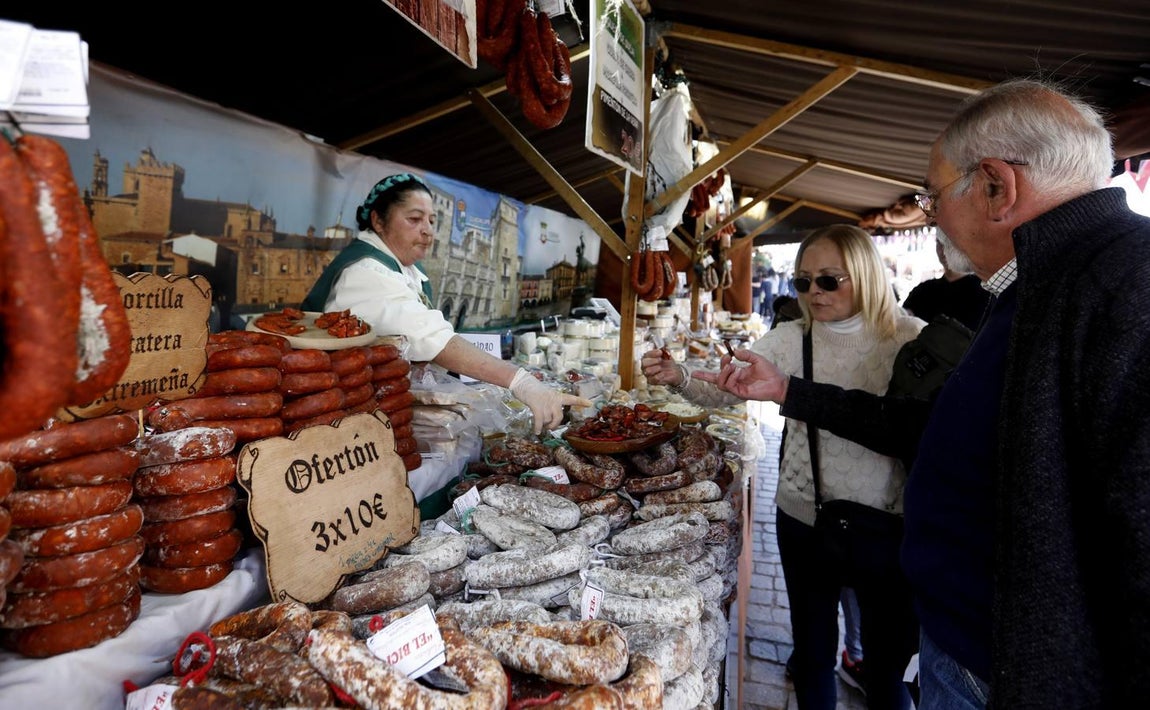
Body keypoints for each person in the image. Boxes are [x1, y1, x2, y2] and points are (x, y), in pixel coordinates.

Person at [699, 78, 1150, 708]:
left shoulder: (1122, 288)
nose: (931, 214)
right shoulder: (1040, 287)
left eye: (932, 197)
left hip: (1011, 673)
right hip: (973, 649)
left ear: (996, 185)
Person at [642, 224, 924, 710]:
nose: (813, 292)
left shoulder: (911, 340)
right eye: (803, 282)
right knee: (813, 653)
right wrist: (681, 377)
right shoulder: (792, 338)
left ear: (866, 276)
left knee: (888, 670)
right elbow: (728, 385)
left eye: (829, 280)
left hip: (887, 525)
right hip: (804, 518)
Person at [303, 173, 589, 434]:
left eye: (432, 221)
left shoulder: (403, 268)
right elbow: (431, 337)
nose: (428, 230)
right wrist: (521, 382)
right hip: (339, 424)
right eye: (414, 219)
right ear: (378, 221)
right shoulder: (366, 272)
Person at [902, 237, 991, 332]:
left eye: (950, 243)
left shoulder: (985, 291)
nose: (943, 250)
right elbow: (903, 319)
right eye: (939, 243)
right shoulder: (923, 290)